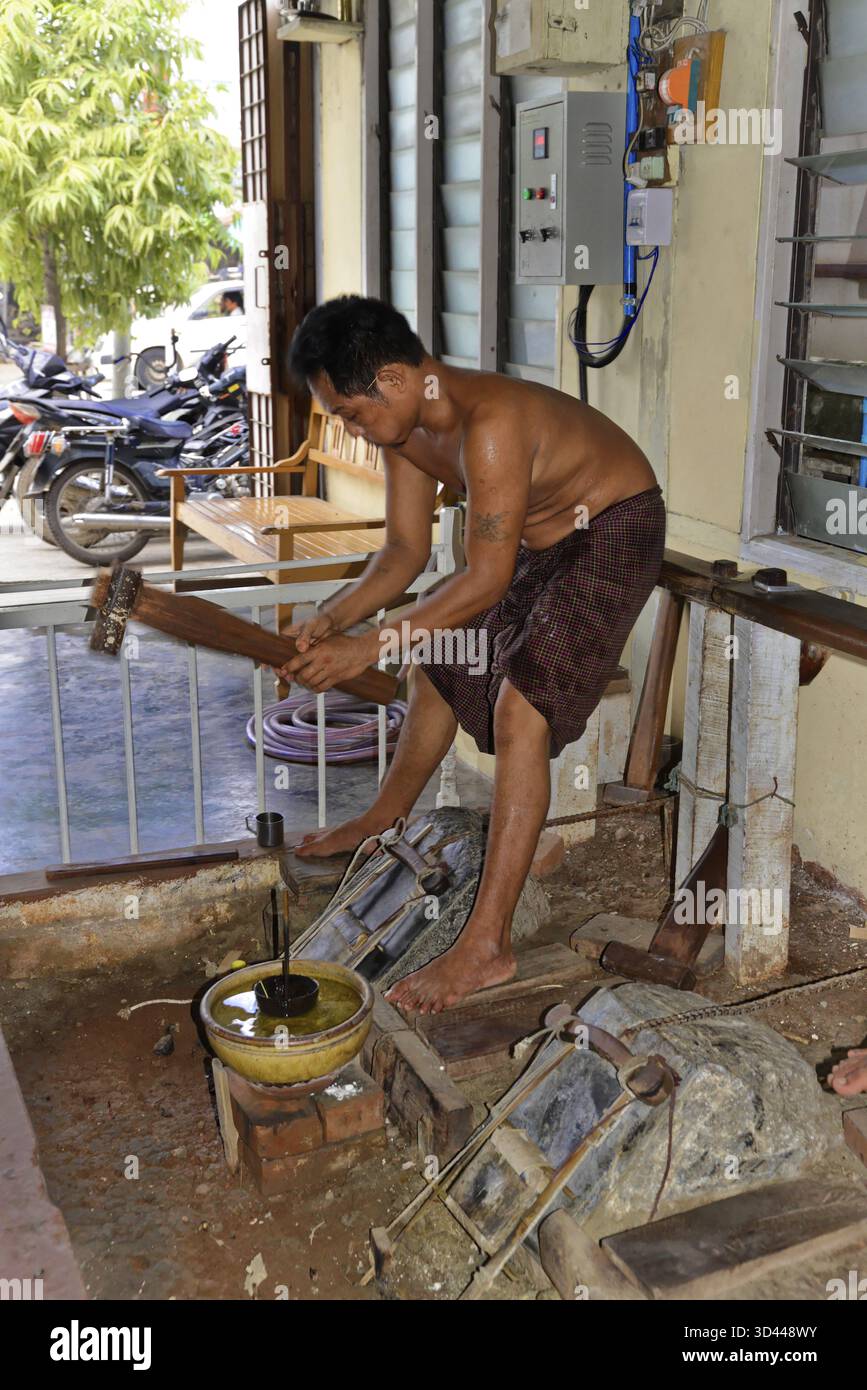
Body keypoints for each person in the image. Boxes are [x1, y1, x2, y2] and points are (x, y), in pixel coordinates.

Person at [277, 295, 666, 1014]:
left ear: (393, 380)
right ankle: (380, 820)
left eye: (350, 414)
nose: (351, 430)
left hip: (613, 528)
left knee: (524, 713)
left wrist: (373, 642)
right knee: (440, 663)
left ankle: (487, 944)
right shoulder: (406, 433)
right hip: (540, 543)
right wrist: (331, 620)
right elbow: (402, 553)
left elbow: (483, 576)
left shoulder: (491, 424)